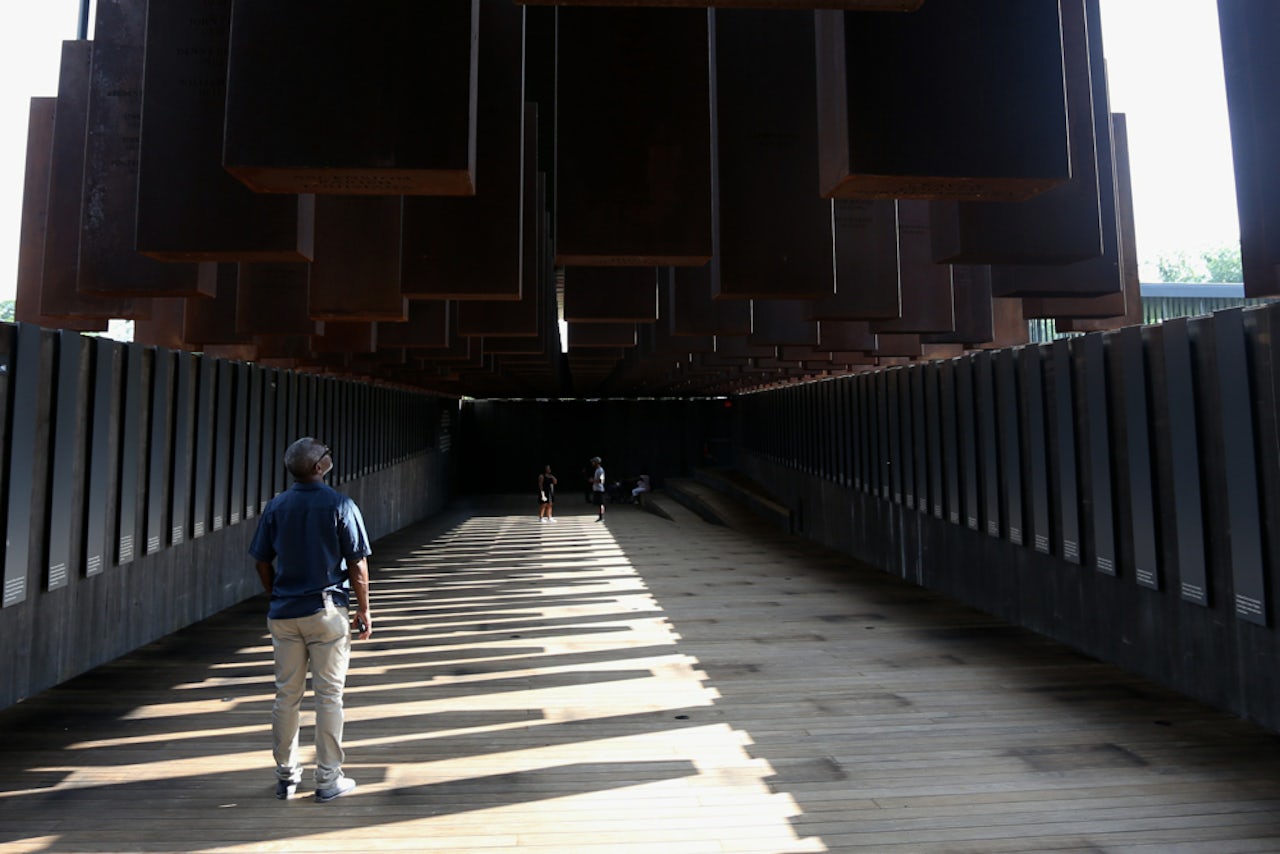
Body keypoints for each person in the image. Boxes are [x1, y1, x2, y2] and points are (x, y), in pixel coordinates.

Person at [250, 437, 372, 803]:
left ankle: (286, 777)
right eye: (325, 453)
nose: (329, 455)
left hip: (284, 614)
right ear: (318, 467)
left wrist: (276, 593)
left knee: (286, 696)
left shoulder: (276, 506)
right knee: (329, 696)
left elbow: (261, 559)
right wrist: (364, 609)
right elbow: (357, 563)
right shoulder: (340, 504)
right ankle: (328, 778)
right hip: (326, 611)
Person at [591, 456, 606, 521]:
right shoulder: (597, 470)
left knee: (600, 504)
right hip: (596, 489)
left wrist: (593, 480)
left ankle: (601, 517)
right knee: (598, 504)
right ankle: (600, 516)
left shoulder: (600, 470)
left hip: (599, 489)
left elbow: (602, 480)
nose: (592, 463)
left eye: (593, 462)